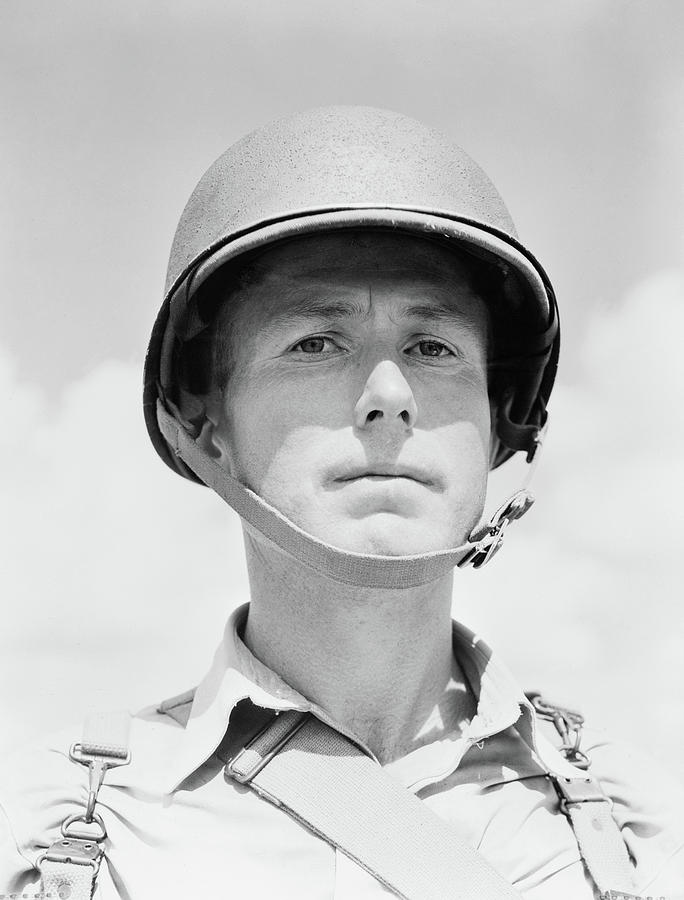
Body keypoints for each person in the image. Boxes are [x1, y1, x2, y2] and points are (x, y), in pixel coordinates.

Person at [1, 106, 682, 900]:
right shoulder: (60, 833)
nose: (389, 396)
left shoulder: (643, 833)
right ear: (207, 428)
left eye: (434, 348)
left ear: (501, 423)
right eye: (315, 344)